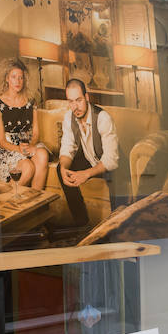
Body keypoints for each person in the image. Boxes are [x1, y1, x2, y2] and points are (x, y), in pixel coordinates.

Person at [58, 78, 119, 227]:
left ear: (86, 97)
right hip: (90, 159)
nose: (75, 106)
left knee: (116, 181)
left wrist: (87, 174)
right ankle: (81, 222)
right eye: (71, 101)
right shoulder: (69, 117)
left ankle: (116, 227)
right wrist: (63, 167)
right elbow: (67, 147)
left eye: (78, 100)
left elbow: (111, 160)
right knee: (61, 169)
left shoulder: (103, 118)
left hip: (111, 166)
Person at [0, 58, 49, 189]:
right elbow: (1, 140)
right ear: (7, 79)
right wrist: (19, 149)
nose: (18, 81)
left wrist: (31, 145)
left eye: (21, 77)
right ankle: (8, 203)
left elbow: (36, 132)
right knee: (28, 168)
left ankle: (35, 202)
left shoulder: (31, 101)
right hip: (8, 148)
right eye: (14, 77)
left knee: (43, 154)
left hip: (28, 144)